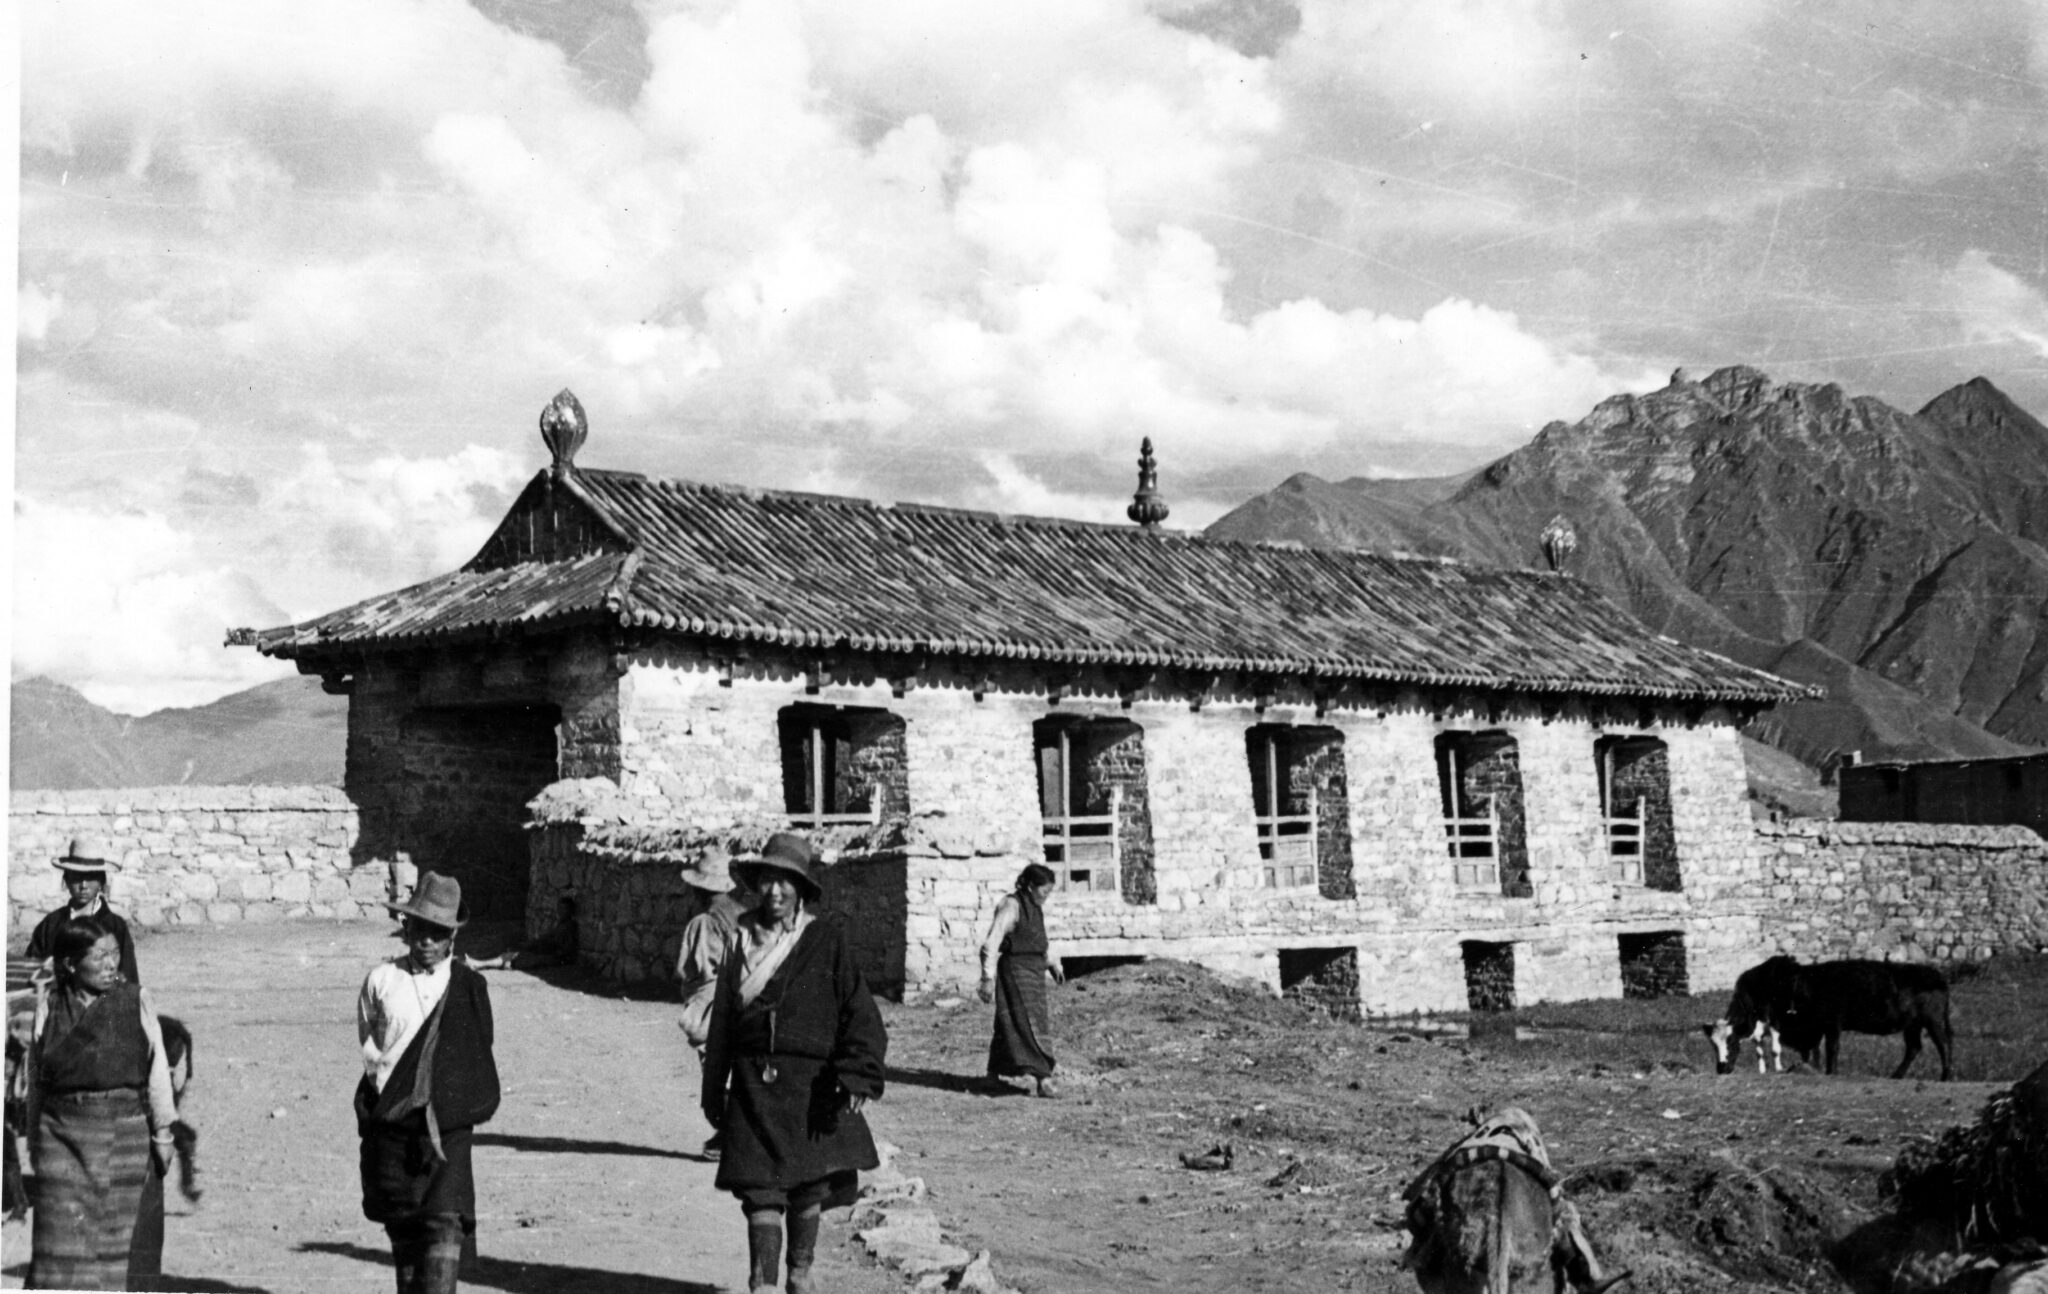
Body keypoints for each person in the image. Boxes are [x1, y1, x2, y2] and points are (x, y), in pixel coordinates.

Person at [702, 833, 887, 1294]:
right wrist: (713, 1087)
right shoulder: (738, 940)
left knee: (808, 1186)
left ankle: (800, 1274)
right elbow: (723, 1019)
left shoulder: (826, 941)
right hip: (752, 1082)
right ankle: (762, 1283)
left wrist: (859, 1073)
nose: (776, 892)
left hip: (811, 1086)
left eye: (787, 883)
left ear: (801, 890)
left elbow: (859, 1012)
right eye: (768, 881)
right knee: (759, 1189)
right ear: (756, 885)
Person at [356, 872, 501, 1294]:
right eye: (420, 929)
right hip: (396, 1129)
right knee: (406, 1243)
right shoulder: (381, 981)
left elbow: (477, 1051)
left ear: (452, 937)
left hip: (446, 1132)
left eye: (438, 933)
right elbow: (370, 1046)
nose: (427, 941)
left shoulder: (469, 986)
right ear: (407, 928)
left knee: (444, 1228)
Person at [22, 913, 178, 1290]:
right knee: (61, 1245)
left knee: (122, 1246)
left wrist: (163, 1132)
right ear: (71, 965)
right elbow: (36, 1078)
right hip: (62, 1137)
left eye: (115, 954)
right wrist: (34, 1139)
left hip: (123, 1135)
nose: (112, 965)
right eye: (100, 957)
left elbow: (158, 1069)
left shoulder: (135, 1000)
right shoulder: (51, 1004)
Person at [675, 851, 754, 1160]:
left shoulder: (704, 923)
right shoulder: (742, 914)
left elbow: (694, 969)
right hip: (745, 998)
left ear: (699, 888)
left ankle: (731, 1136)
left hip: (715, 1001)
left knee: (717, 1068)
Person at [977, 864, 1063, 1098]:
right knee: (1028, 1023)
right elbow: (991, 944)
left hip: (1034, 973)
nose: (1046, 897)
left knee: (1009, 1024)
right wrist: (987, 978)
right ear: (1030, 886)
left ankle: (992, 1076)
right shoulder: (1011, 905)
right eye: (1044, 892)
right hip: (1015, 973)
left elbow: (1038, 941)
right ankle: (1043, 1078)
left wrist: (1053, 964)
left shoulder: (1036, 908)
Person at [26, 837, 141, 986]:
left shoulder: (115, 926)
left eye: (91, 877)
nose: (84, 886)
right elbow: (32, 969)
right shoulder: (51, 924)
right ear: (66, 880)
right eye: (77, 878)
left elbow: (127, 977)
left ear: (101, 881)